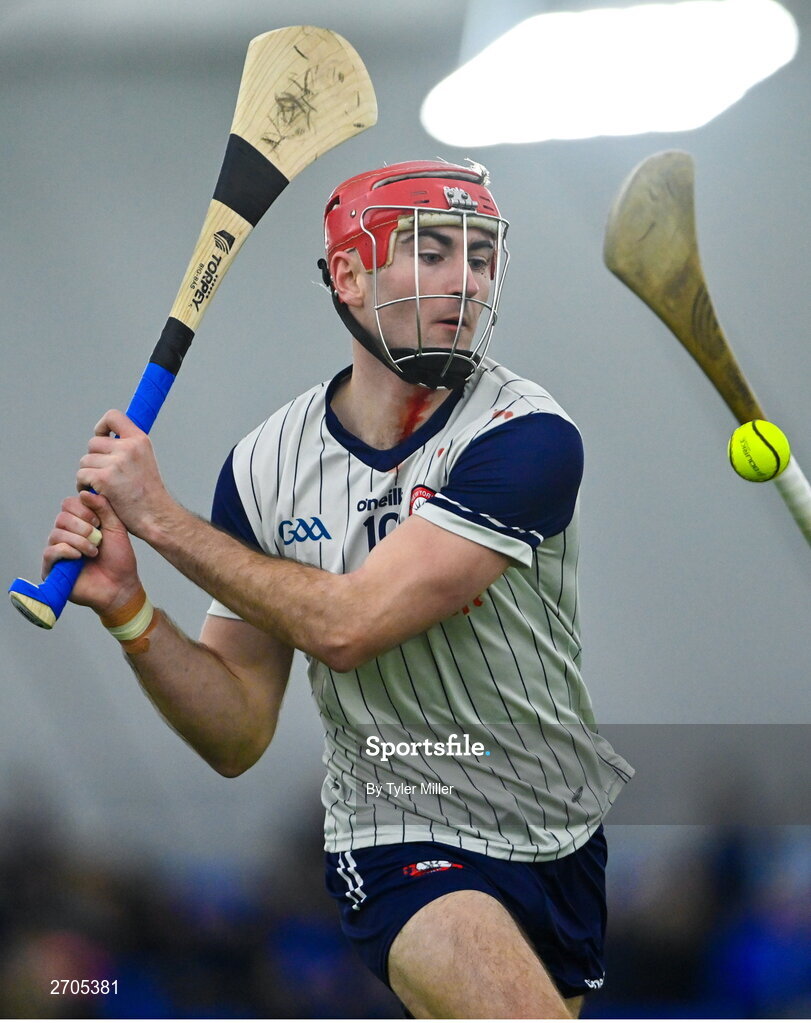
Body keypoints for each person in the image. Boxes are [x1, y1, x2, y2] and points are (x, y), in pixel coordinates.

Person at [43, 159, 633, 1019]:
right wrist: (133, 612)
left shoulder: (526, 436)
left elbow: (350, 625)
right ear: (350, 276)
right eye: (431, 253)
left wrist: (160, 521)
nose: (465, 281)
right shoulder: (264, 466)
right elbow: (237, 728)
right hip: (396, 828)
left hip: (554, 831)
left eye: (479, 258)